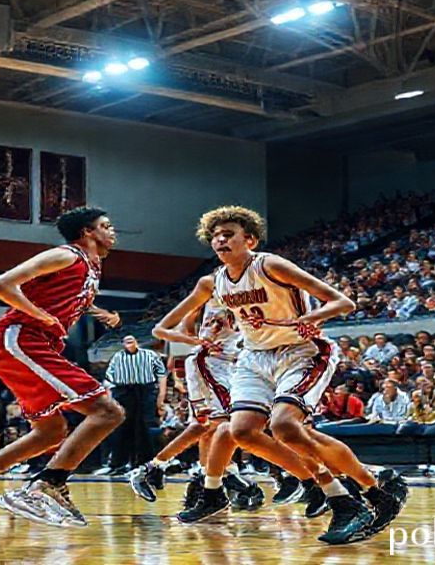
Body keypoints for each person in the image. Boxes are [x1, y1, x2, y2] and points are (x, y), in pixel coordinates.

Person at [152, 206, 406, 544]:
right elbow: (162, 327)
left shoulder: (269, 265)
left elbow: (342, 302)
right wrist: (195, 339)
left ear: (250, 239)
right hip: (254, 358)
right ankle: (340, 497)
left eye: (229, 233)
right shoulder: (211, 282)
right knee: (240, 431)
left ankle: (370, 495)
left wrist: (306, 320)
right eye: (215, 235)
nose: (220, 239)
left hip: (301, 352)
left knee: (286, 426)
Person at [0, 207, 125, 532]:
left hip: (33, 345)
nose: (112, 230)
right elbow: (0, 284)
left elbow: (66, 296)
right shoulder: (67, 255)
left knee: (50, 432)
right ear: (88, 232)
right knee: (107, 411)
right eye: (106, 225)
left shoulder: (91, 268)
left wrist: (99, 312)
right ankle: (46, 484)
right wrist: (41, 315)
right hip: (20, 339)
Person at [130, 301, 263, 510]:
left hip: (222, 365)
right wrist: (196, 341)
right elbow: (176, 328)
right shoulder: (212, 294)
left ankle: (203, 480)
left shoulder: (245, 298)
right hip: (208, 364)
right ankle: (155, 469)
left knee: (208, 428)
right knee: (218, 425)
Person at [101, 335, 167, 474]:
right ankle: (118, 464)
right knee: (123, 427)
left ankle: (146, 463)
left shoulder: (150, 355)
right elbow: (109, 379)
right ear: (123, 344)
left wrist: (161, 396)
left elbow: (162, 374)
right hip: (123, 391)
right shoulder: (117, 357)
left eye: (131, 339)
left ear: (137, 341)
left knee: (145, 426)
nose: (129, 342)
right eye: (126, 341)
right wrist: (110, 399)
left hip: (145, 390)